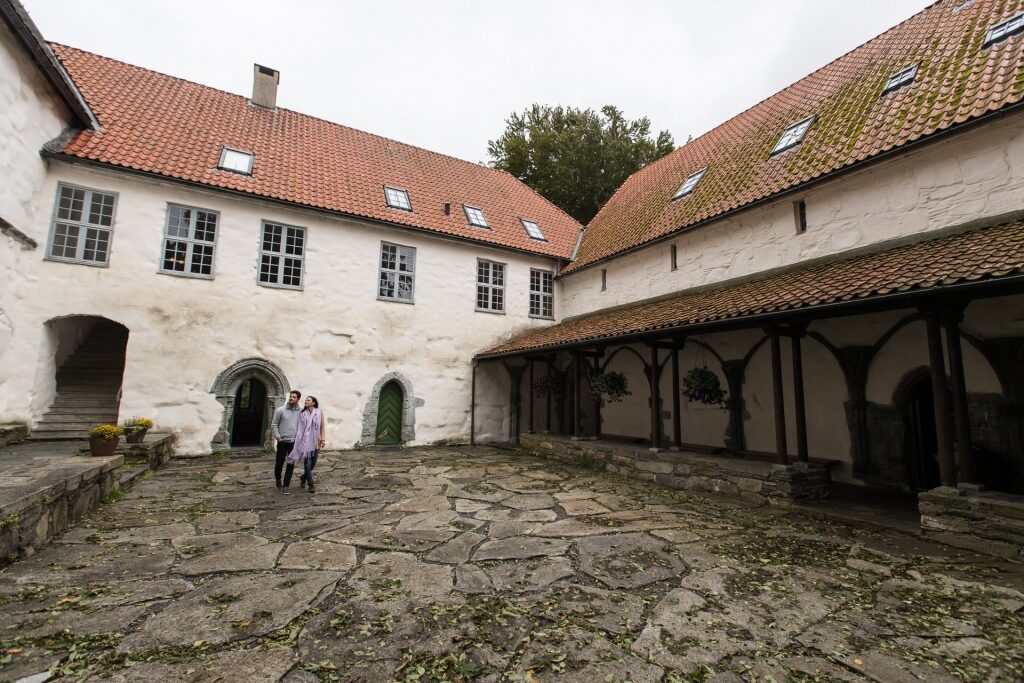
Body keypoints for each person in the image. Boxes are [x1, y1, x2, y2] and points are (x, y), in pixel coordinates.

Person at [281, 395, 326, 494]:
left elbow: (322, 427)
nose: (306, 401)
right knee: (308, 463)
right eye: (305, 400)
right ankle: (311, 485)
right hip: (306, 442)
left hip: (316, 442)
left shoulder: (319, 413)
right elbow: (301, 429)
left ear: (313, 403)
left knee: (313, 464)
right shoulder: (303, 414)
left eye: (308, 400)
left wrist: (323, 439)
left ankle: (303, 477)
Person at [271, 390, 302, 490]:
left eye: (294, 397)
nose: (291, 398)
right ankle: (278, 478)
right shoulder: (281, 410)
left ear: (298, 399)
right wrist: (278, 437)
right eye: (291, 396)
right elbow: (274, 424)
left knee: (290, 464)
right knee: (279, 463)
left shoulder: (301, 412)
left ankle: (286, 485)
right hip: (282, 441)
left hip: (294, 442)